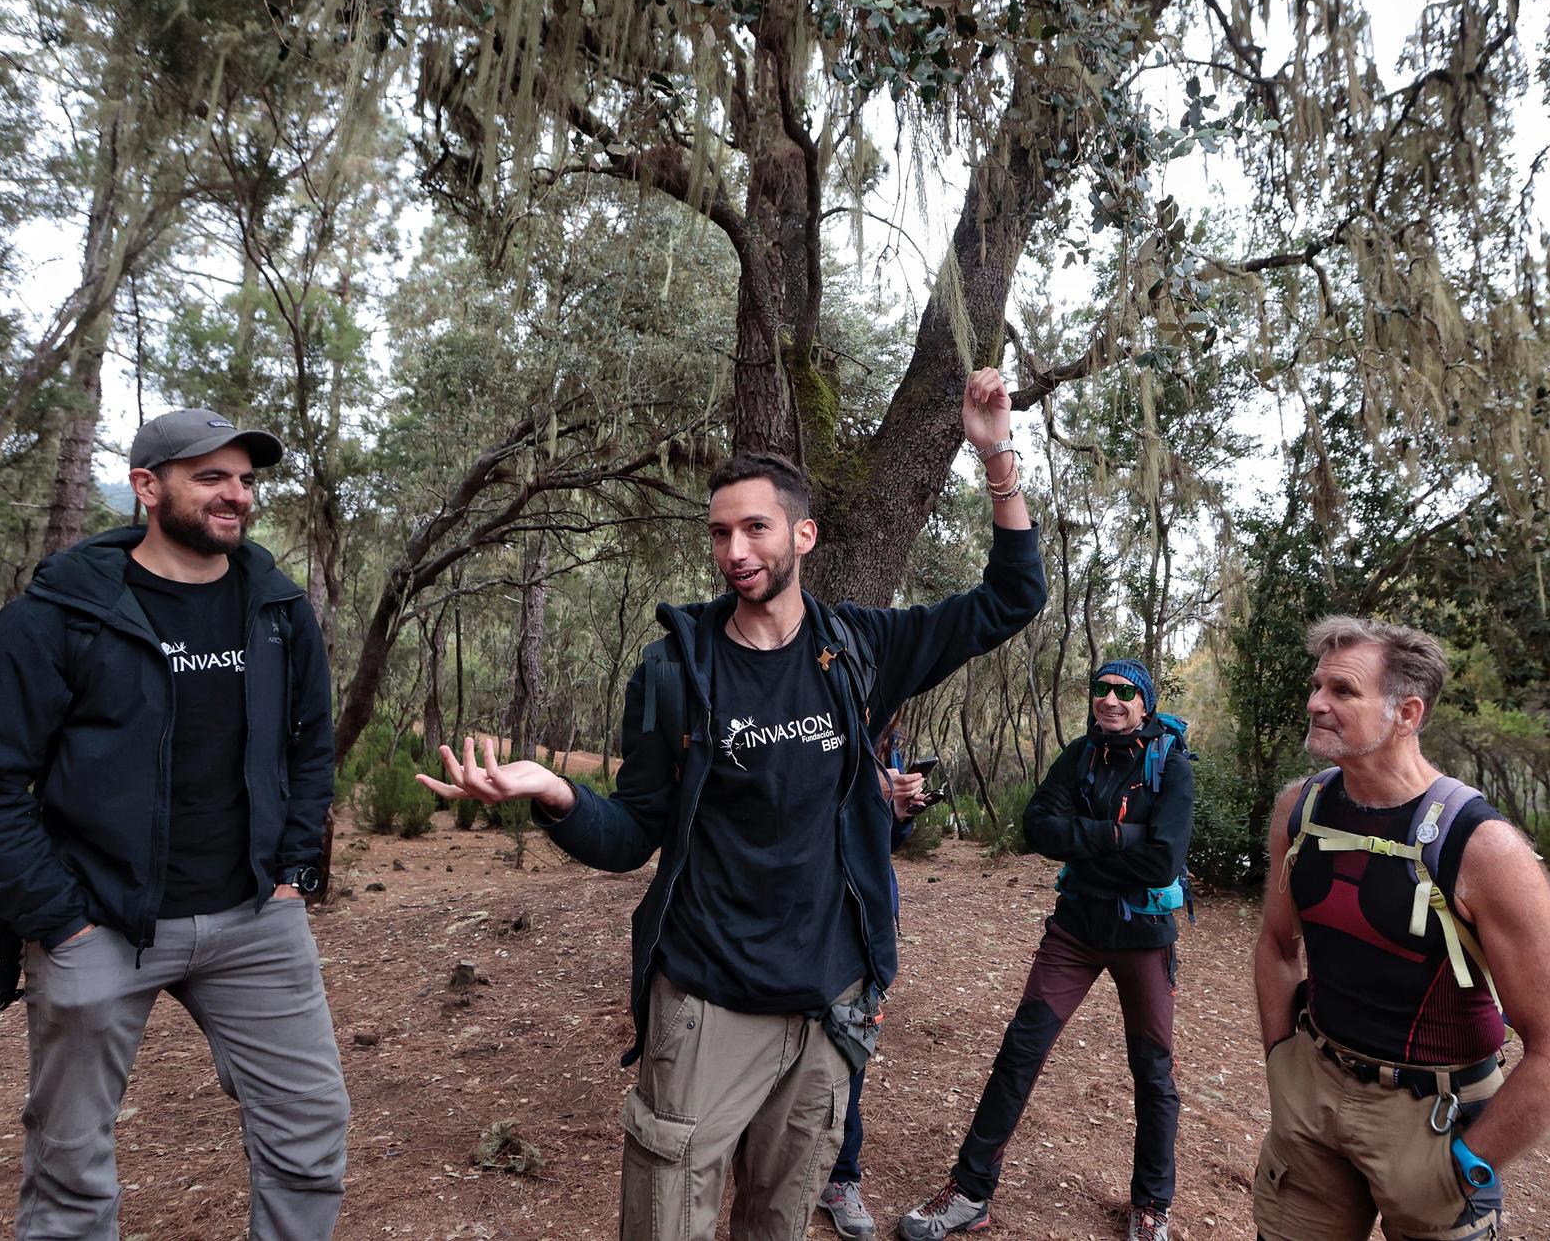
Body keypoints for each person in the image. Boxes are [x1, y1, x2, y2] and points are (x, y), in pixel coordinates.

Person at [421, 367, 1048, 1241]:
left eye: (755, 527)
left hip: (827, 1008)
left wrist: (996, 457)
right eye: (720, 533)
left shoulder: (862, 648)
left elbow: (1014, 598)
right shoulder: (676, 672)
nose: (735, 550)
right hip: (705, 1005)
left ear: (804, 533)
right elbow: (632, 834)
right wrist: (558, 794)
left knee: (777, 1225)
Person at [0, 409, 348, 1240]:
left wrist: (297, 874)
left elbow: (311, 747)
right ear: (147, 487)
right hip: (102, 924)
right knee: (70, 1162)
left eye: (247, 479)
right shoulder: (62, 614)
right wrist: (61, 919)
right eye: (211, 477)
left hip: (255, 922)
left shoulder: (275, 607)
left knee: (310, 1134)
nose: (236, 495)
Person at [1251, 616, 1550, 1241]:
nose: (1315, 703)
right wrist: (1282, 1064)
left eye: (1342, 691)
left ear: (1406, 713)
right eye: (1317, 685)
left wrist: (1466, 1164)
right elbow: (1277, 947)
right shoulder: (1300, 809)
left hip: (1435, 1118)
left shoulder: (1484, 849)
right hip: (1312, 1098)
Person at [899, 658, 1195, 1241]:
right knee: (1020, 1051)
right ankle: (971, 1191)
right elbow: (1037, 828)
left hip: (1142, 937)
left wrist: (1081, 839)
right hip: (1075, 930)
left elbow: (1163, 859)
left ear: (1146, 704)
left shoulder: (1172, 768)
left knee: (1153, 1071)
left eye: (1124, 692)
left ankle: (1151, 1204)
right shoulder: (1079, 755)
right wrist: (1118, 837)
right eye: (1101, 690)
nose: (1109, 700)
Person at [818, 720, 939, 1240]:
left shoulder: (886, 736)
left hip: (864, 921)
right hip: (802, 914)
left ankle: (841, 1177)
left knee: (852, 1049)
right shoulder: (806, 713)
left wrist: (897, 810)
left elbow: (886, 840)